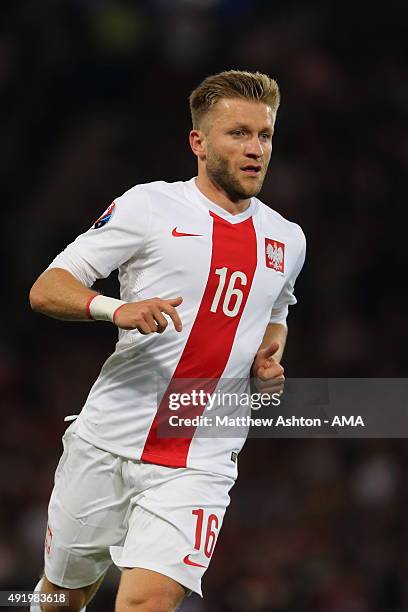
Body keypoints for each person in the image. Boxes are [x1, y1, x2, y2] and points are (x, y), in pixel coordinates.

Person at [29, 70, 306, 612]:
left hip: (202, 454)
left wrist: (271, 355)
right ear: (198, 143)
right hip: (108, 439)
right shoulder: (149, 206)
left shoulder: (287, 237)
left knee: (146, 602)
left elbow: (277, 308)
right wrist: (117, 309)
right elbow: (47, 288)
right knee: (64, 596)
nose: (255, 149)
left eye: (265, 135)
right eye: (238, 134)